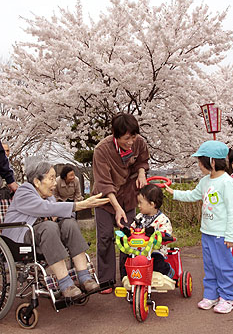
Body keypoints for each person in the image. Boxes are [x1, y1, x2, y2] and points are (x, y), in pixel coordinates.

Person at [3, 161, 110, 300]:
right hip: (20, 241)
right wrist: (78, 205)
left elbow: (61, 212)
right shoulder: (24, 192)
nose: (55, 183)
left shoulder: (49, 195)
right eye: (51, 178)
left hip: (44, 238)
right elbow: (45, 208)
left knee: (69, 224)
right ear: (37, 181)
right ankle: (65, 283)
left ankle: (85, 277)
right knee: (49, 227)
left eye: (55, 178)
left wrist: (64, 212)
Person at [165, 140, 233, 314]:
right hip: (207, 233)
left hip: (222, 235)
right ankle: (212, 295)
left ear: (212, 161)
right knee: (210, 266)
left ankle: (228, 297)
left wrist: (231, 236)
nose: (199, 165)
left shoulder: (227, 182)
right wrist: (173, 193)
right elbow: (193, 195)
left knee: (225, 267)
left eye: (200, 161)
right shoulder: (205, 181)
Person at [92, 113, 149, 293]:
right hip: (105, 199)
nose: (131, 141)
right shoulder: (102, 150)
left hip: (129, 195)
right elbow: (104, 183)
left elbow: (143, 161)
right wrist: (116, 208)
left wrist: (141, 173)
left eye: (133, 137)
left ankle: (127, 275)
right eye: (126, 139)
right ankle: (106, 280)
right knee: (105, 237)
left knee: (130, 237)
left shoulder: (139, 142)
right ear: (115, 135)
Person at [122, 184, 175, 278]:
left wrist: (160, 236)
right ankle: (128, 278)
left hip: (155, 251)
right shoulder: (139, 217)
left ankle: (168, 271)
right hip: (138, 250)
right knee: (127, 261)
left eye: (140, 203)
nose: (138, 206)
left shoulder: (162, 220)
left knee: (158, 263)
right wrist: (127, 234)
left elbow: (167, 235)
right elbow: (132, 229)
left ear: (152, 204)